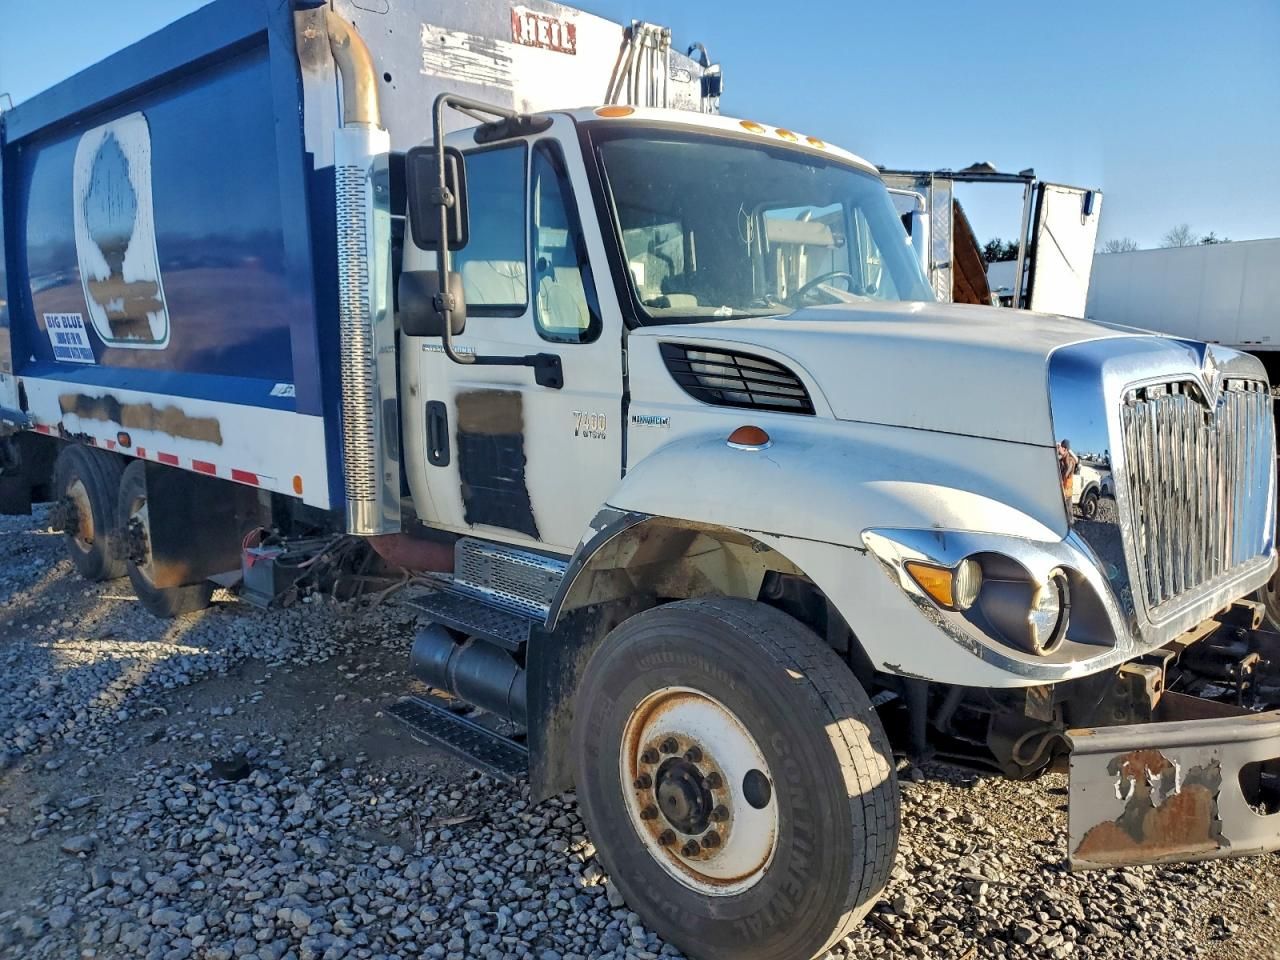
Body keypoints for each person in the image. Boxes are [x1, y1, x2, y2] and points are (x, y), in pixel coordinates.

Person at [1057, 439, 1078, 508]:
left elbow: (1067, 472)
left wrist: (1063, 455)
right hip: (1061, 494)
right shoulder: (1061, 460)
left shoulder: (1071, 461)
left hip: (1067, 495)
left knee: (1068, 516)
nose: (1060, 450)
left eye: (1061, 447)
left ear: (1065, 449)